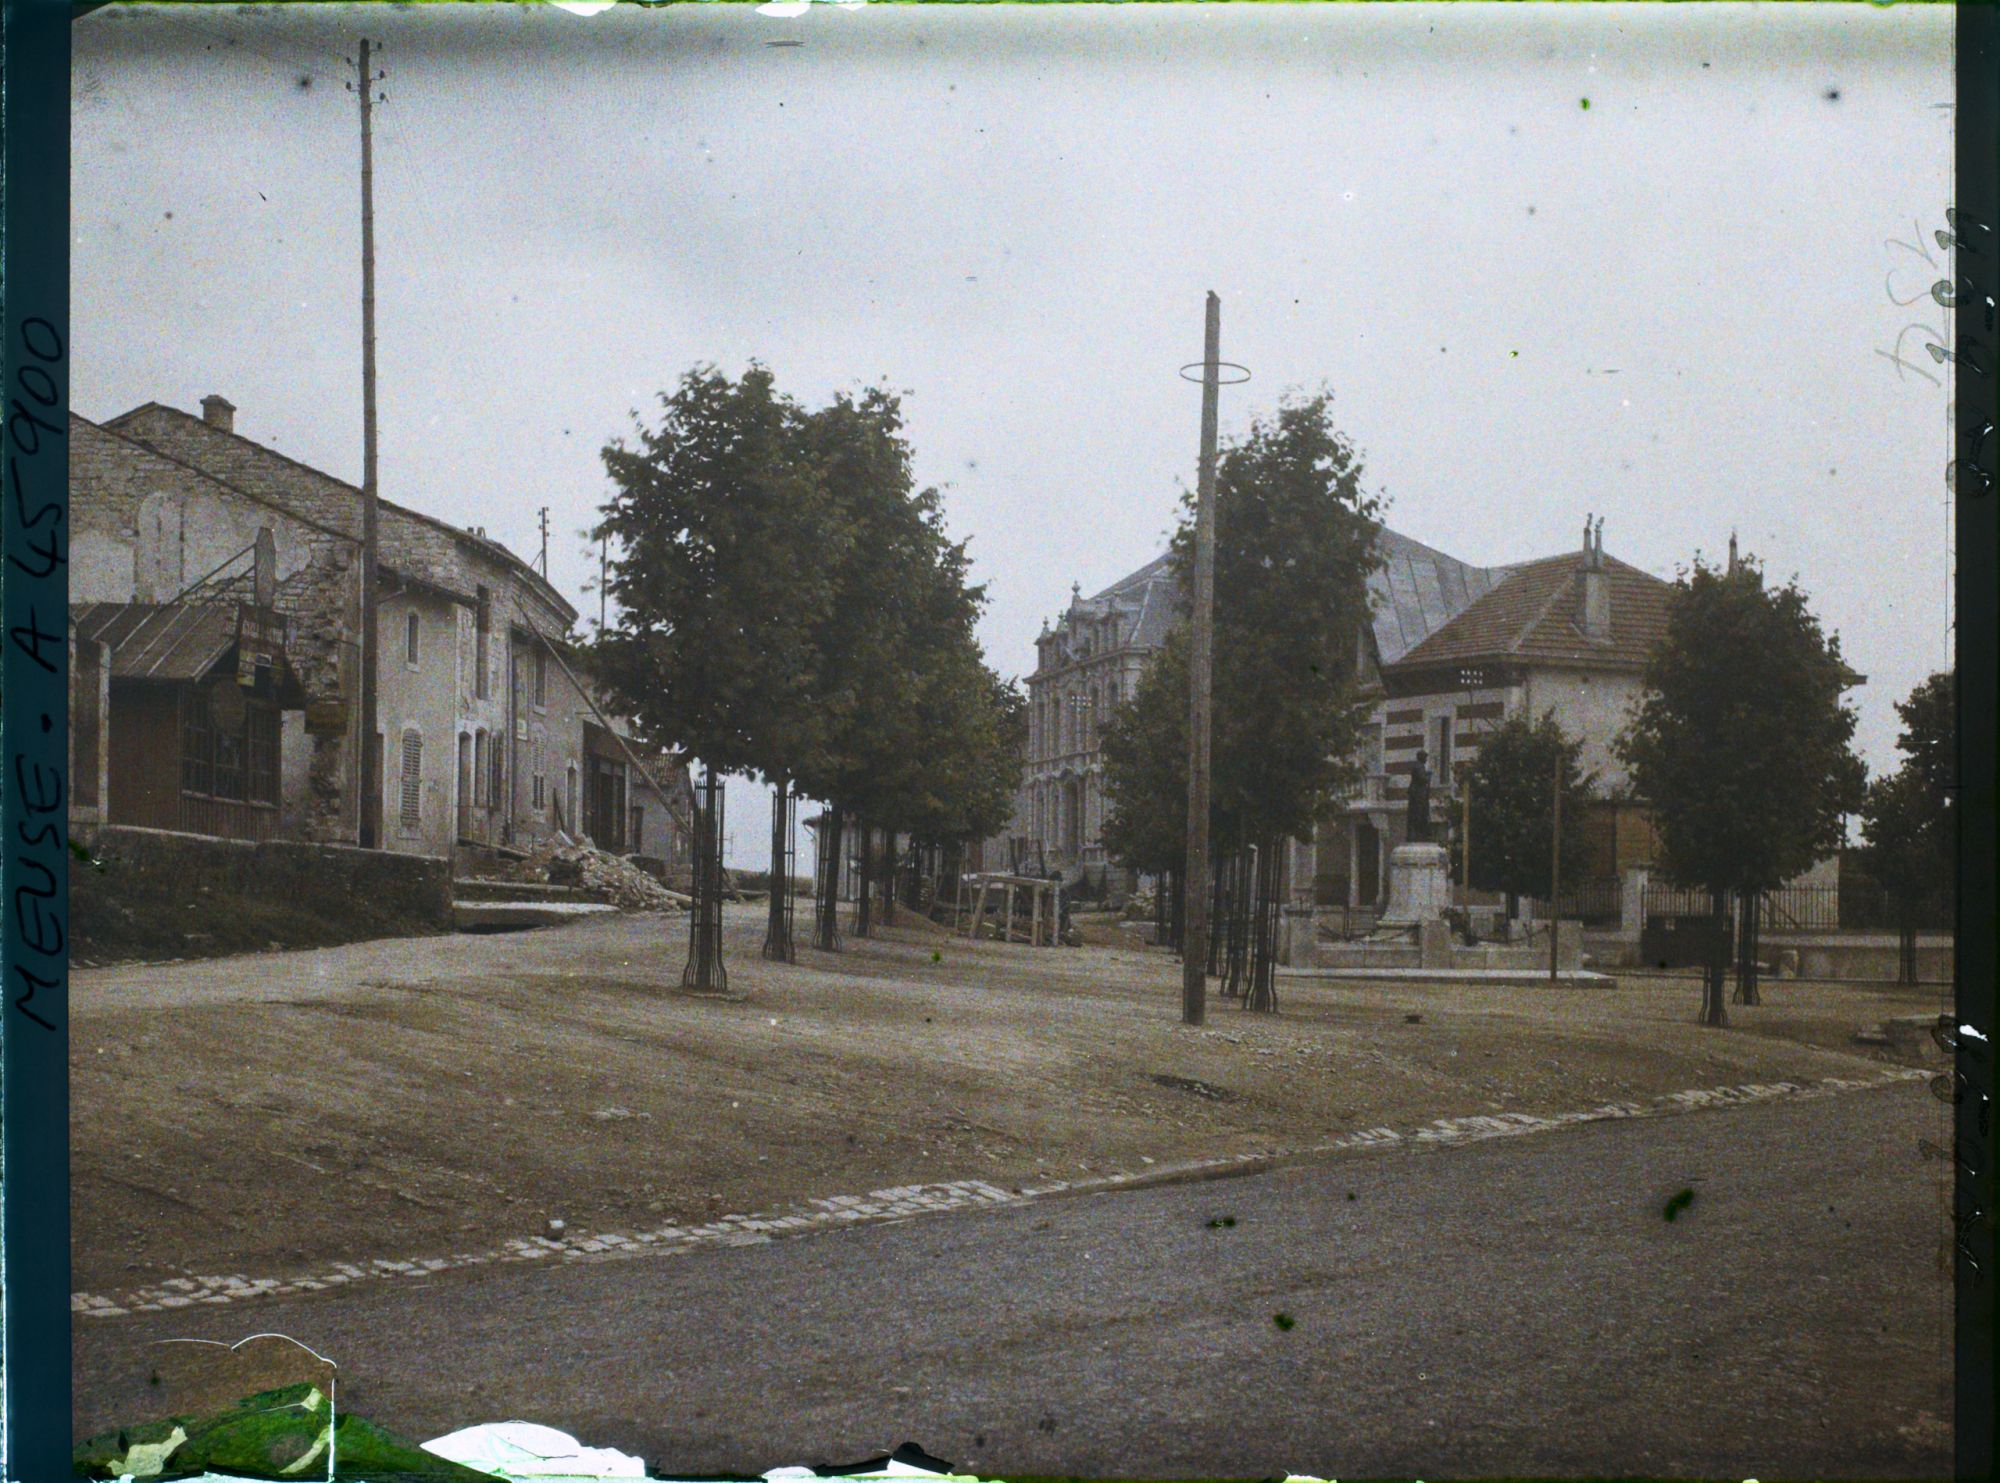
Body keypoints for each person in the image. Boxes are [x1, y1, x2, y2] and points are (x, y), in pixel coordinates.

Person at [1407, 748, 1433, 843]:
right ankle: (1419, 833)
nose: (1426, 759)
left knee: (1419, 813)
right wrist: (1428, 776)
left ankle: (1419, 833)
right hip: (1418, 794)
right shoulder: (1419, 766)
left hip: (1418, 794)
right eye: (1425, 757)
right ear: (1421, 757)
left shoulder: (1418, 766)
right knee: (1419, 813)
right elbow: (1422, 778)